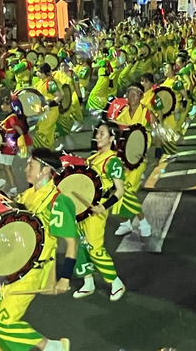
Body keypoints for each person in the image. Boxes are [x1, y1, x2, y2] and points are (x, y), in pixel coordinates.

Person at [0, 147, 77, 351]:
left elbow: (71, 242)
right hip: (11, 264)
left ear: (46, 170)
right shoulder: (27, 194)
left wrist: (65, 277)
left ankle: (52, 347)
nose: (26, 168)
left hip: (32, 270)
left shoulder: (56, 202)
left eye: (31, 164)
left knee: (5, 323)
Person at [72, 121, 127, 301]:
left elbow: (119, 191)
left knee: (95, 247)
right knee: (80, 244)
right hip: (82, 208)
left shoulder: (113, 161)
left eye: (102, 134)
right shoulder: (91, 158)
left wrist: (103, 206)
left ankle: (115, 282)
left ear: (112, 138)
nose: (98, 136)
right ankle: (88, 282)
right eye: (98, 133)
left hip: (97, 208)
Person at [113, 83, 153, 237]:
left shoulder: (147, 113)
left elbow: (156, 131)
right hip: (123, 158)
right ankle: (125, 223)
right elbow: (116, 130)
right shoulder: (122, 113)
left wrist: (155, 153)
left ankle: (144, 223)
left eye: (135, 93)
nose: (131, 97)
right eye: (129, 93)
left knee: (127, 191)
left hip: (138, 159)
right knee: (119, 190)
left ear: (141, 96)